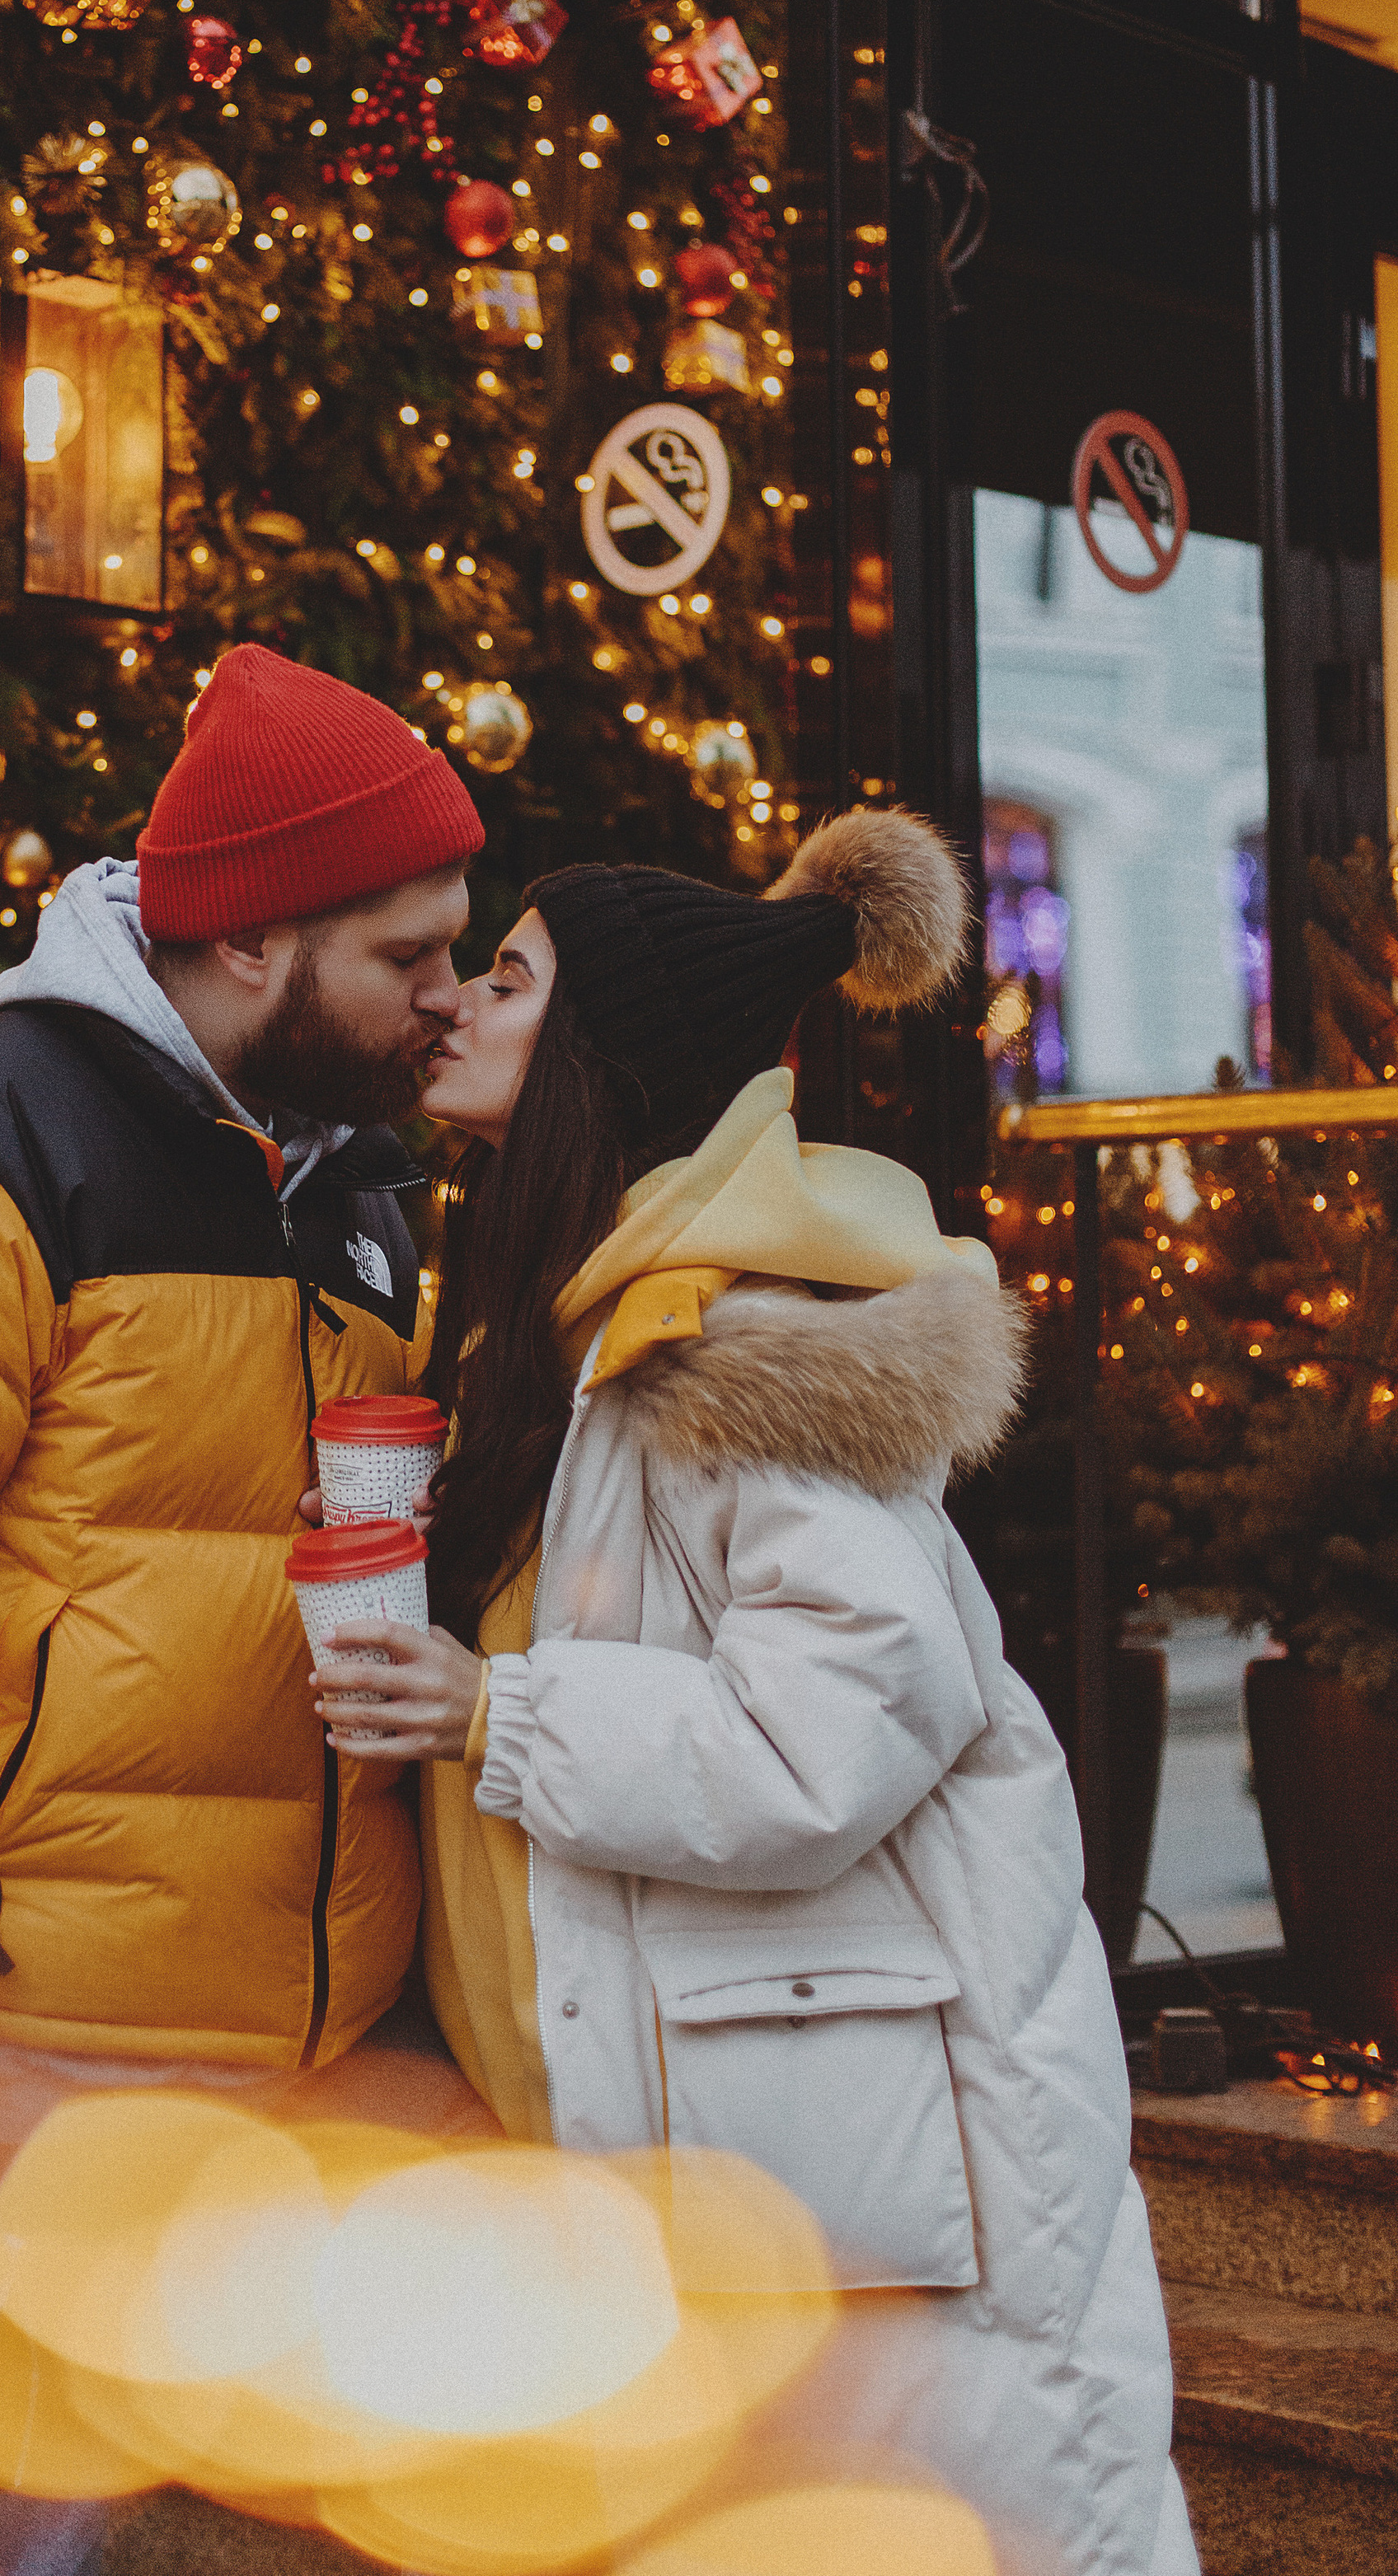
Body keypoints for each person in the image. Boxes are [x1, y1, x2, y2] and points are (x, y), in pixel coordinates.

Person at [0, 644, 491, 2573]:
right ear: (257, 943)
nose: (449, 994)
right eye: (410, 954)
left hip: (295, 2061)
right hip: (14, 2065)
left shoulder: (359, 1188)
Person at [310, 809, 1199, 2576]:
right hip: (696, 2156)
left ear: (599, 1056)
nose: (456, 1010)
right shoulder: (556, 1350)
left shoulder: (737, 1355)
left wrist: (496, 1712)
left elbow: (834, 1733)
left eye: (506, 978)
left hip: (833, 2176)